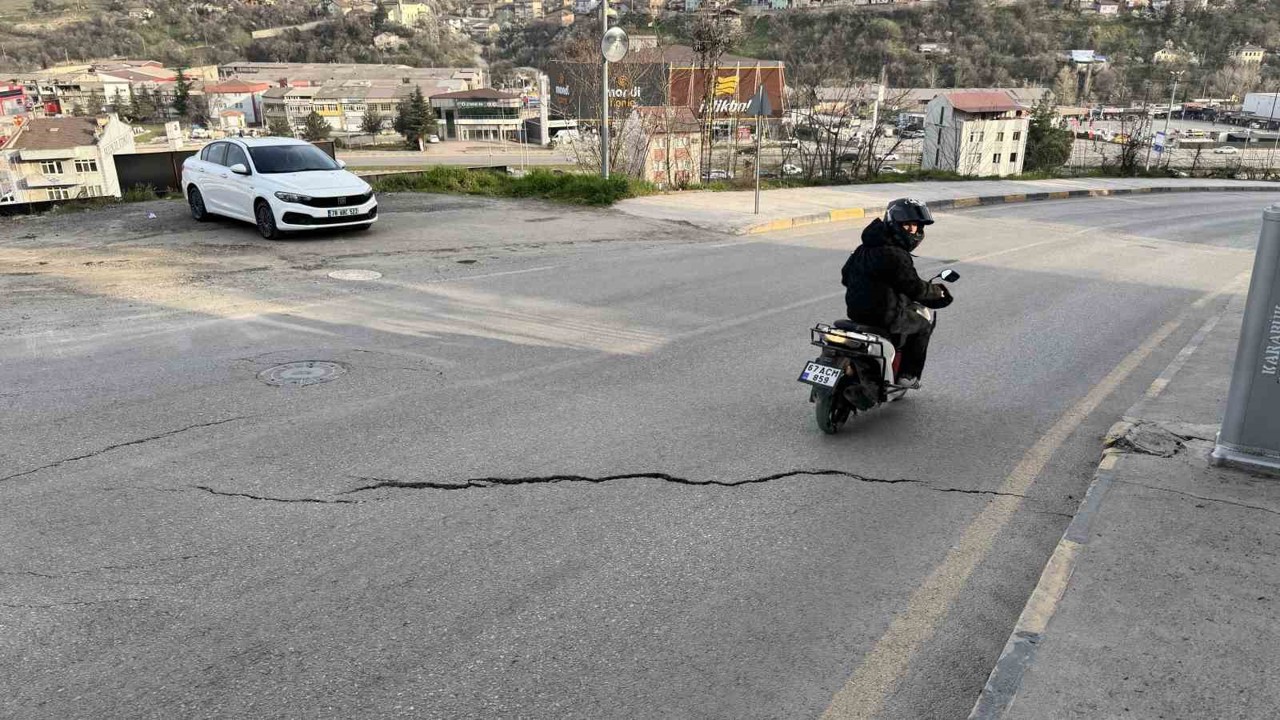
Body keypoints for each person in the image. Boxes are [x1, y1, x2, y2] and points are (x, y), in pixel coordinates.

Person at [841, 198, 953, 389]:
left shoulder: (864, 248)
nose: (912, 231)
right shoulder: (895, 254)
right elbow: (915, 288)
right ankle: (908, 375)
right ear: (894, 223)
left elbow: (845, 276)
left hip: (856, 313)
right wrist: (938, 292)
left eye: (916, 226)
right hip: (885, 317)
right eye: (907, 225)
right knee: (923, 326)